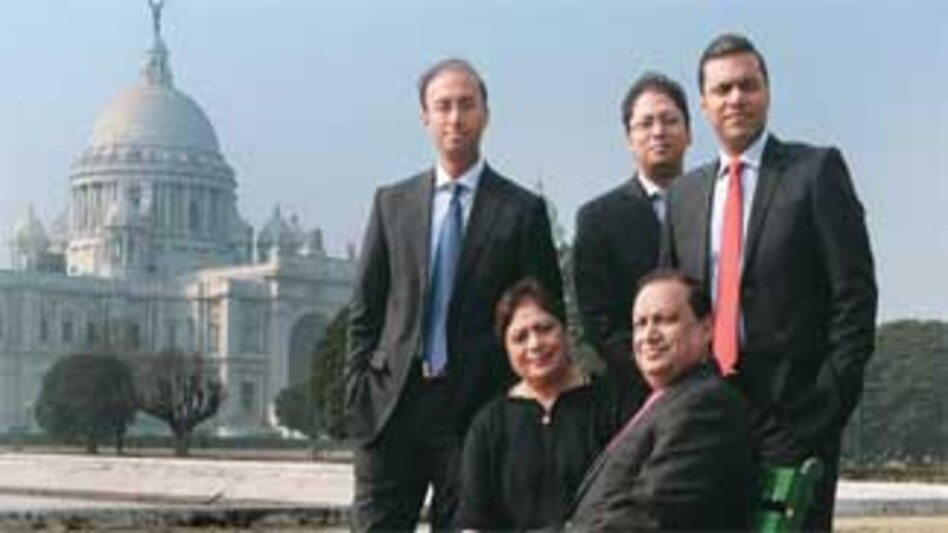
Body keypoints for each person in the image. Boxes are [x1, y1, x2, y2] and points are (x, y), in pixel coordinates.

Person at [662, 33, 878, 530]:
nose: (735, 98)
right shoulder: (684, 198)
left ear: (767, 91)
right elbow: (674, 307)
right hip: (709, 414)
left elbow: (855, 295)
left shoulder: (815, 171)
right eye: (722, 90)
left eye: (747, 85)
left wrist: (829, 400)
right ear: (704, 104)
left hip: (797, 412)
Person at [346, 58, 563, 532]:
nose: (455, 117)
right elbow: (365, 310)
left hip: (475, 415)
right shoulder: (392, 203)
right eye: (442, 106)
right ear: (425, 117)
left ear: (486, 113)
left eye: (466, 104)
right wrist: (360, 391)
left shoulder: (521, 211)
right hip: (392, 411)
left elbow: (546, 317)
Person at [570, 270, 755, 531]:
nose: (649, 335)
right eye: (640, 324)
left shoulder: (705, 406)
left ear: (706, 329)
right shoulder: (671, 400)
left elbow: (648, 517)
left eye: (664, 320)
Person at [573, 72, 692, 419]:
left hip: (718, 388)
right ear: (629, 138)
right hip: (635, 399)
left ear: (689, 133)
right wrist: (660, 374)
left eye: (670, 120)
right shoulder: (598, 219)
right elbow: (601, 323)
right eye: (646, 123)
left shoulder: (716, 205)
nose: (658, 132)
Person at [457, 278, 616, 531]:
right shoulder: (489, 425)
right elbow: (473, 522)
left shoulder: (612, 406)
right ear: (506, 350)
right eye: (520, 337)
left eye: (544, 329)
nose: (534, 344)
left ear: (564, 329)